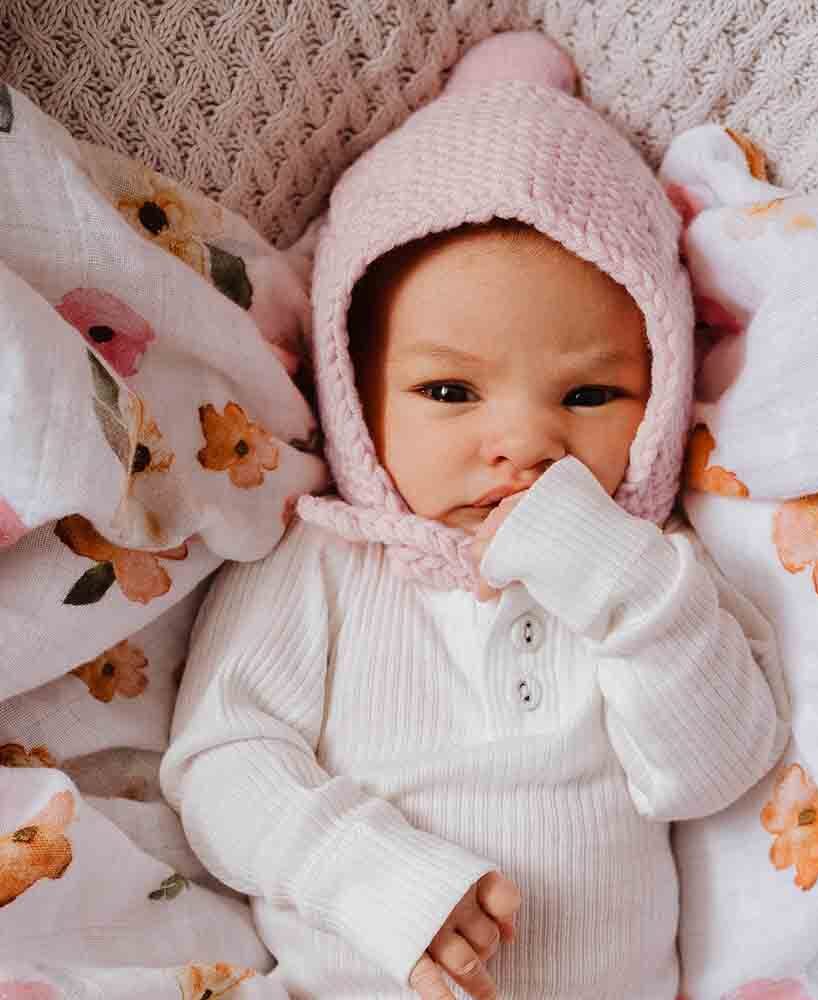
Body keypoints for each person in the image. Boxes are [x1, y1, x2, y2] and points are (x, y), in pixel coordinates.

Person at [161, 30, 786, 1000]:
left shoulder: (655, 576)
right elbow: (220, 765)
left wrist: (615, 580)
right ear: (355, 395)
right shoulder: (324, 558)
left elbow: (715, 772)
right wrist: (374, 880)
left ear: (660, 396)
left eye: (588, 397)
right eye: (451, 391)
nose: (525, 444)